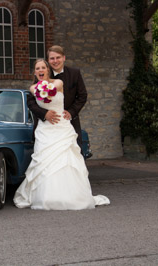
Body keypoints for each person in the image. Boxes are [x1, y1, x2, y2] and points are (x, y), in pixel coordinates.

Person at [13, 59, 109, 210]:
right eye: (37, 68)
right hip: (45, 129)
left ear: (48, 70)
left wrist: (44, 87)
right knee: (45, 161)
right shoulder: (33, 88)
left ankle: (71, 195)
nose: (40, 70)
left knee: (66, 159)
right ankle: (46, 196)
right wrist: (45, 113)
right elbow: (35, 97)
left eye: (43, 67)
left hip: (61, 126)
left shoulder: (58, 83)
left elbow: (50, 91)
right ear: (34, 72)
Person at [27, 45, 87, 148]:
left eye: (58, 57)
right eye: (52, 58)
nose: (55, 61)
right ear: (48, 60)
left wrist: (71, 112)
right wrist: (44, 114)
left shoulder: (74, 73)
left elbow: (82, 96)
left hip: (68, 124)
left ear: (64, 58)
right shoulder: (43, 72)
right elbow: (31, 102)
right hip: (46, 126)